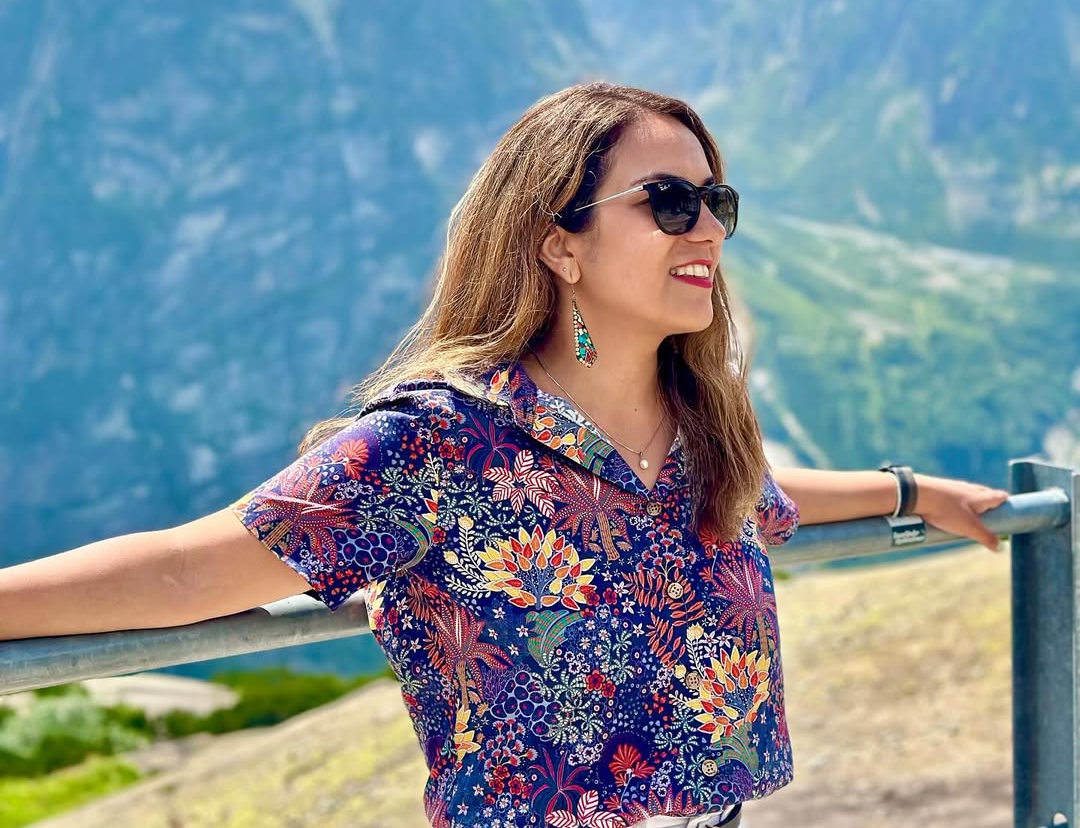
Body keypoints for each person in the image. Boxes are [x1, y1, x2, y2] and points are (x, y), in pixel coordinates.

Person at [0, 81, 1008, 828]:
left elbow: (759, 495)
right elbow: (193, 568)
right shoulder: (441, 443)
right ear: (558, 243)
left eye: (718, 202)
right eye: (669, 201)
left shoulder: (703, 436)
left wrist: (914, 492)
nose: (708, 228)